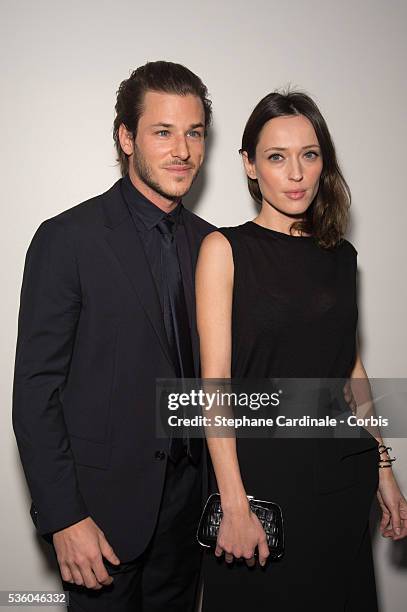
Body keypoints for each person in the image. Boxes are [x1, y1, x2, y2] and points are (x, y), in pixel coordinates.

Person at [13, 60, 215, 612]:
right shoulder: (67, 239)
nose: (182, 150)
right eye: (163, 131)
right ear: (127, 138)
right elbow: (35, 393)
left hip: (191, 516)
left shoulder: (214, 246)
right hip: (100, 520)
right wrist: (64, 518)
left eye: (194, 133)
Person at [195, 90, 407, 610]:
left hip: (341, 478)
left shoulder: (342, 256)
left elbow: (350, 368)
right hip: (261, 484)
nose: (296, 173)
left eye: (309, 155)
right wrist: (233, 502)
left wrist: (384, 469)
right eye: (276, 156)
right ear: (249, 164)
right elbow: (213, 385)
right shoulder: (225, 250)